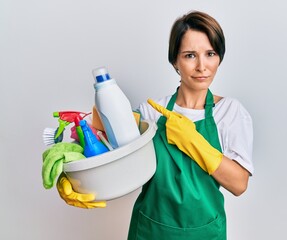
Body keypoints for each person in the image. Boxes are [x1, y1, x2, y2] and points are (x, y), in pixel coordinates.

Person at [56, 10, 254, 239]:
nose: (202, 66)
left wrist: (193, 142)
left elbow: (239, 184)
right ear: (175, 61)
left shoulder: (230, 112)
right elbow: (97, 140)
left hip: (205, 233)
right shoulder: (152, 111)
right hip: (150, 232)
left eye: (210, 53)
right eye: (190, 55)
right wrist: (71, 177)